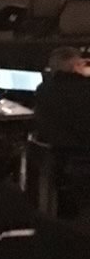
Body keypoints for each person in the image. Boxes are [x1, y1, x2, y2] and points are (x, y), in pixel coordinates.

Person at [34, 47, 90, 216]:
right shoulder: (85, 89)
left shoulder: (43, 88)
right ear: (76, 65)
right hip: (83, 151)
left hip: (55, 153)